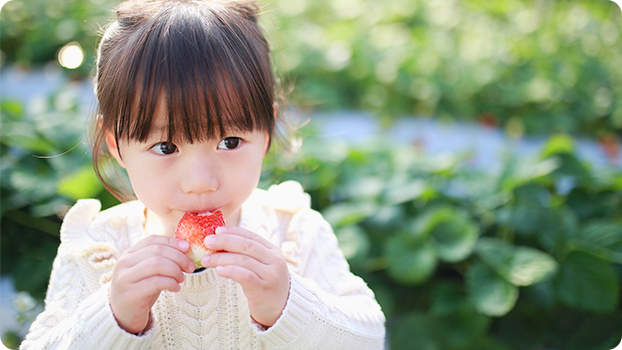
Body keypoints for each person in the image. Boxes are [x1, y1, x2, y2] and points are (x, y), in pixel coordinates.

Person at [19, 0, 386, 349]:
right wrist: (113, 316)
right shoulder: (97, 250)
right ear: (116, 146)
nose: (200, 182)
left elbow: (369, 339)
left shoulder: (294, 234)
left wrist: (288, 304)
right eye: (165, 147)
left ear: (267, 133)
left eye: (230, 141)